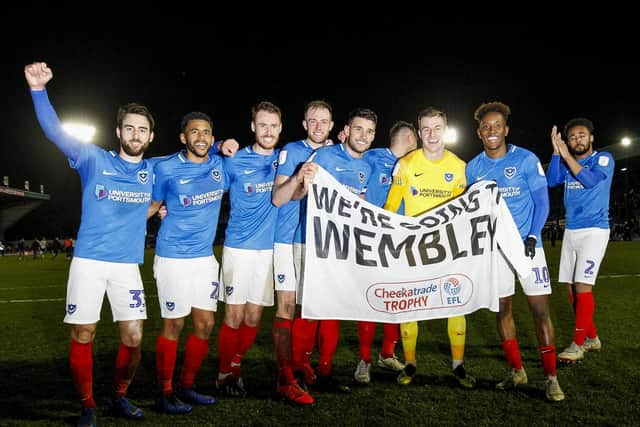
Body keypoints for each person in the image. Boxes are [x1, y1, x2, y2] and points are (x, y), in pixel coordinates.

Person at [25, 61, 155, 425]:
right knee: (84, 332)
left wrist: (158, 209)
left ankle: (119, 397)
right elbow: (54, 131)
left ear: (150, 137)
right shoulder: (93, 158)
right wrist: (39, 90)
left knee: (133, 338)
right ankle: (88, 405)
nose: (135, 133)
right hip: (89, 262)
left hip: (127, 266)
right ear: (118, 131)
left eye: (142, 129)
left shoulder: (154, 170)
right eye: (129, 127)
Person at [466, 101, 564, 401]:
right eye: (486, 127)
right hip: (495, 250)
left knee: (539, 310)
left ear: (506, 129)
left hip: (527, 246)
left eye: (497, 125)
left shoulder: (526, 159)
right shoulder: (474, 167)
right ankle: (517, 371)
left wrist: (533, 235)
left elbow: (541, 201)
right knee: (503, 309)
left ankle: (550, 378)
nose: (491, 130)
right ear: (479, 133)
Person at [384, 107, 475, 389]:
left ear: (445, 130)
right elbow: (390, 206)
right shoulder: (406, 164)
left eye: (437, 128)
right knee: (409, 307)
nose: (432, 134)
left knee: (455, 304)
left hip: (448, 249)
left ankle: (458, 367)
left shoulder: (460, 167)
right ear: (419, 132)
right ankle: (410, 364)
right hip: (412, 249)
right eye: (426, 129)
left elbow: (467, 211)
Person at [148, 112, 229, 414]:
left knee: (205, 324)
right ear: (183, 138)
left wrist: (225, 144)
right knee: (175, 323)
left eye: (207, 132)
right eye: (194, 132)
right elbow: (153, 205)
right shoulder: (166, 167)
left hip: (205, 259)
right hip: (172, 258)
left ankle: (187, 385)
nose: (201, 137)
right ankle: (165, 392)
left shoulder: (220, 167)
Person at [305, 107, 377, 392]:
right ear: (347, 129)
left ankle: (324, 372)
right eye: (358, 129)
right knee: (312, 310)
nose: (364, 136)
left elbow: (359, 205)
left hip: (345, 247)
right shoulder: (325, 156)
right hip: (319, 244)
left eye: (369, 131)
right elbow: (305, 188)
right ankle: (303, 368)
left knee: (332, 310)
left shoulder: (367, 167)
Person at [215, 101, 281, 397]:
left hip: (268, 251)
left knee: (254, 317)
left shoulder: (285, 159)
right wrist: (218, 144)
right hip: (238, 248)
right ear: (253, 127)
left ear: (280, 128)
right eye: (263, 125)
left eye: (274, 125)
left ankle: (235, 365)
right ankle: (224, 373)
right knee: (234, 316)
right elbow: (204, 169)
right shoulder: (235, 160)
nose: (268, 131)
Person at [270, 100, 334, 404]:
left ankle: (300, 364)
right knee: (286, 307)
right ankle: (285, 378)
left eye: (324, 121)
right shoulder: (292, 151)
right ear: (305, 124)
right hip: (287, 240)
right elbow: (280, 198)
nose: (319, 126)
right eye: (313, 121)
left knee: (310, 305)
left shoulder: (334, 153)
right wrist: (300, 179)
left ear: (333, 126)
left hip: (319, 242)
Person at [352, 121, 417, 384]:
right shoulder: (372, 157)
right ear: (410, 138)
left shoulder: (416, 164)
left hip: (403, 242)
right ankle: (364, 360)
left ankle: (387, 353)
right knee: (370, 301)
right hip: (373, 240)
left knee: (397, 301)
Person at [548, 119, 614, 363]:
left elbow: (590, 180)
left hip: (594, 230)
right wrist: (557, 154)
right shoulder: (566, 161)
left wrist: (566, 155)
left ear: (591, 137)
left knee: (583, 285)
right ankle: (592, 338)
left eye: (582, 135)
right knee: (570, 287)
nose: (577, 139)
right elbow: (551, 180)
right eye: (572, 136)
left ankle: (577, 345)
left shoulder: (604, 158)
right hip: (572, 230)